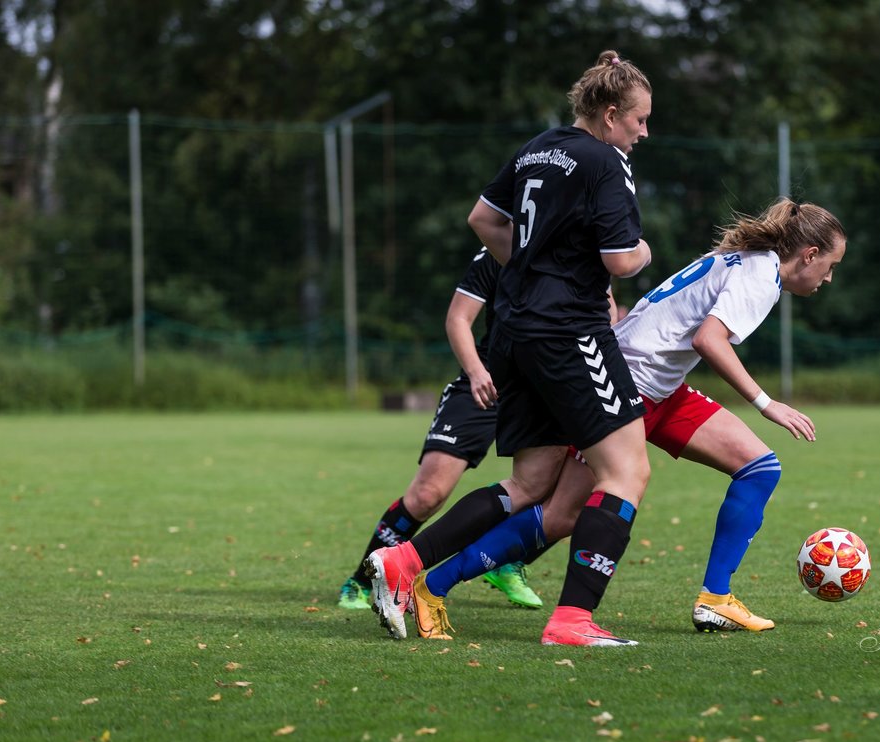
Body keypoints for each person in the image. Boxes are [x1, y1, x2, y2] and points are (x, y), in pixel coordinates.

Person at [408, 198, 845, 639]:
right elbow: (709, 340)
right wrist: (768, 403)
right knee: (560, 515)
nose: (828, 277)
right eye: (829, 266)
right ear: (808, 254)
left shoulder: (749, 260)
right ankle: (432, 584)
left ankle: (716, 599)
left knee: (759, 467)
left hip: (661, 388)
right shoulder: (761, 274)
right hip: (626, 383)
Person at [363, 49, 655, 647]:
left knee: (532, 481)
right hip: (570, 331)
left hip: (514, 331)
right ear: (608, 114)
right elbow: (621, 260)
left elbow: (482, 219)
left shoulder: (536, 148)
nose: (642, 133)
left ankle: (401, 563)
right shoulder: (606, 161)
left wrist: (528, 272)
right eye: (638, 120)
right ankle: (573, 621)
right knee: (627, 471)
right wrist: (643, 254)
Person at [335, 248, 544, 612]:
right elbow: (458, 318)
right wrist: (478, 371)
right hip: (487, 383)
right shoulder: (497, 251)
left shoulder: (579, 247)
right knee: (427, 494)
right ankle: (362, 580)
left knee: (563, 486)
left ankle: (509, 561)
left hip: (548, 388)